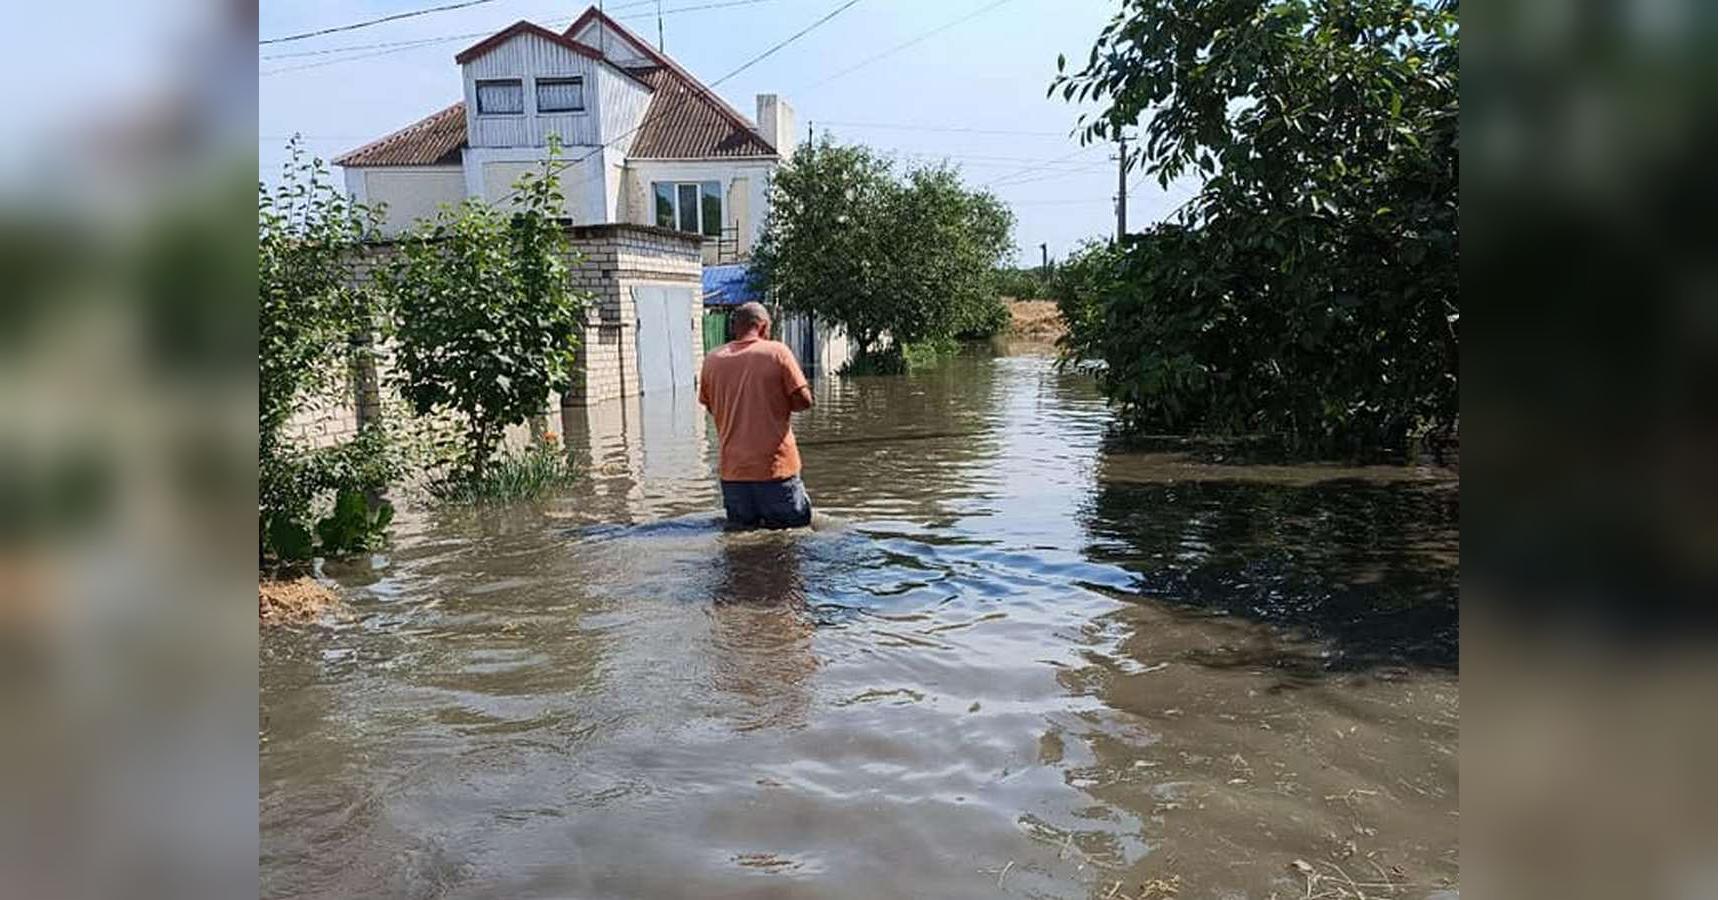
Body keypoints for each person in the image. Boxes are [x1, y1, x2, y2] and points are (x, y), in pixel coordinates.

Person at [698, 302, 815, 528]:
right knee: (791, 542)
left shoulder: (712, 360)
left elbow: (711, 406)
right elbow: (804, 401)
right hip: (775, 471)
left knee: (741, 546)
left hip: (733, 475)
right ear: (762, 327)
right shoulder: (777, 352)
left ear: (735, 328)